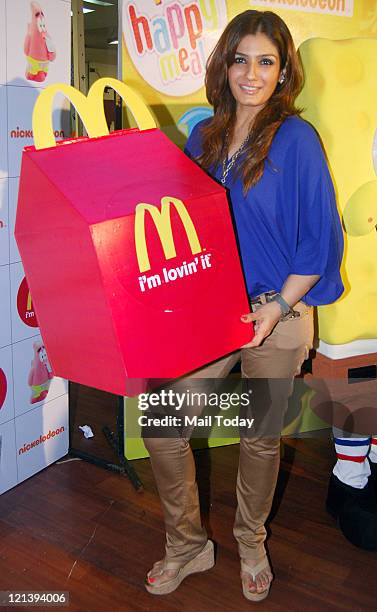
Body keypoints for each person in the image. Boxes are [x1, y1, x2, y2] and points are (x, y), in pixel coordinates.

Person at [142, 9, 344, 602]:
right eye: (241, 58)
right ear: (224, 63)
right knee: (164, 420)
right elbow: (182, 226)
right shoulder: (202, 136)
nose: (251, 73)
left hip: (278, 313)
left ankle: (250, 540)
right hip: (213, 310)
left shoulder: (298, 139)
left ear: (283, 73)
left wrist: (276, 308)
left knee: (258, 436)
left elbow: (320, 241)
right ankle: (187, 544)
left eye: (266, 61)